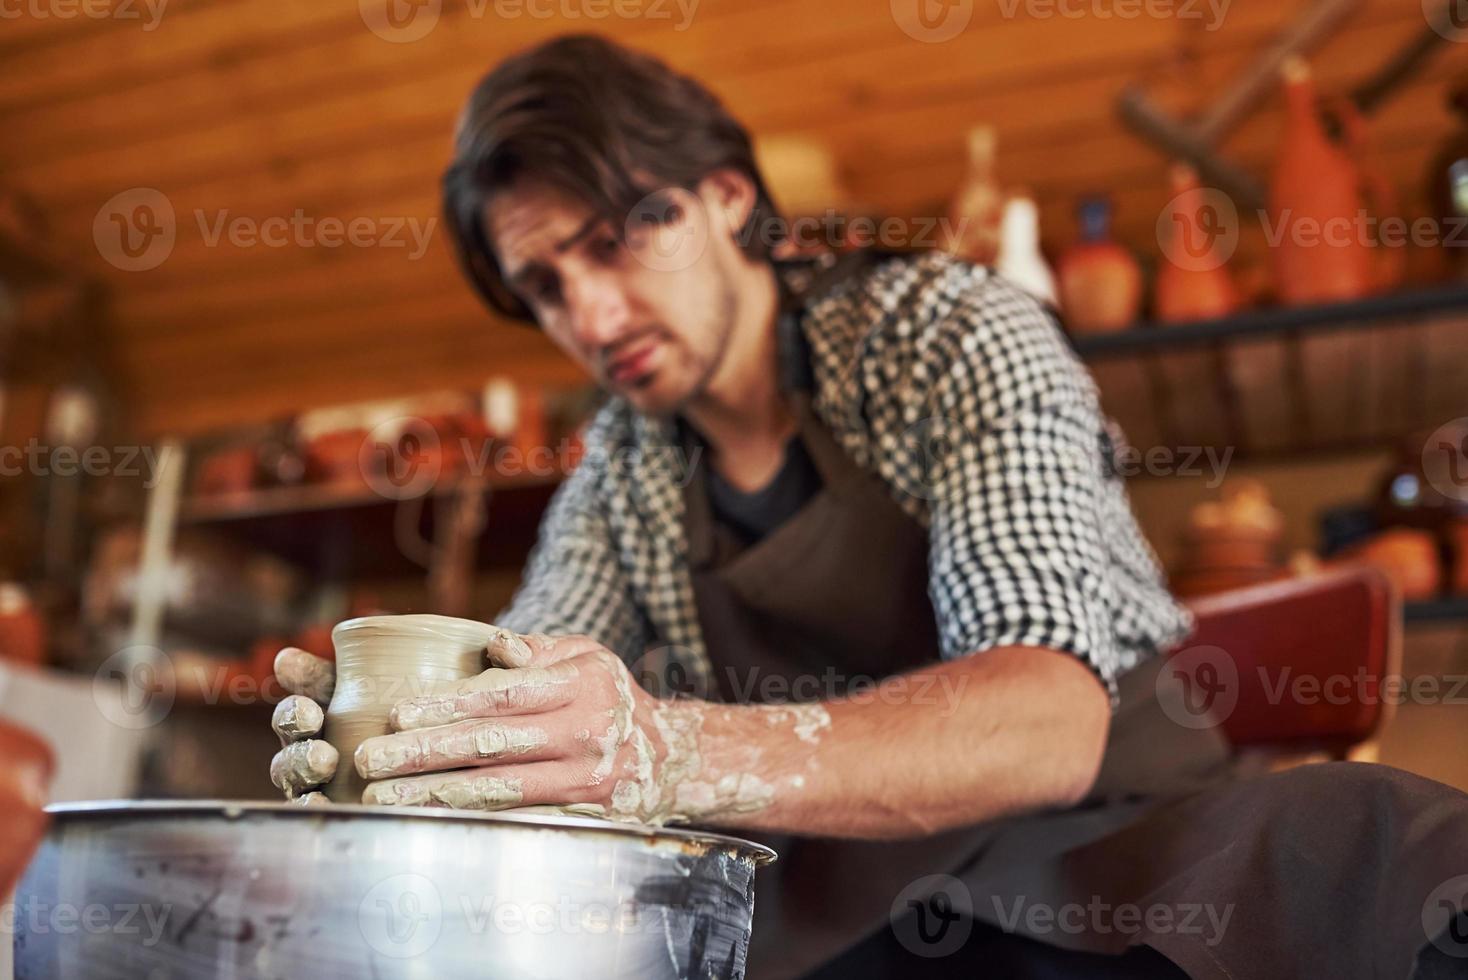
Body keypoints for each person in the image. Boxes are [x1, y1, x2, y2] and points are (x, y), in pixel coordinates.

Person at [267, 34, 1468, 979]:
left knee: (1365, 848)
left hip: (1105, 845)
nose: (591, 312)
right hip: (837, 907)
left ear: (727, 198)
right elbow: (517, 684)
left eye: (620, 237)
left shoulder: (948, 333)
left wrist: (661, 746)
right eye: (545, 283)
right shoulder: (619, 475)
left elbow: (1042, 719)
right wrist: (404, 755)